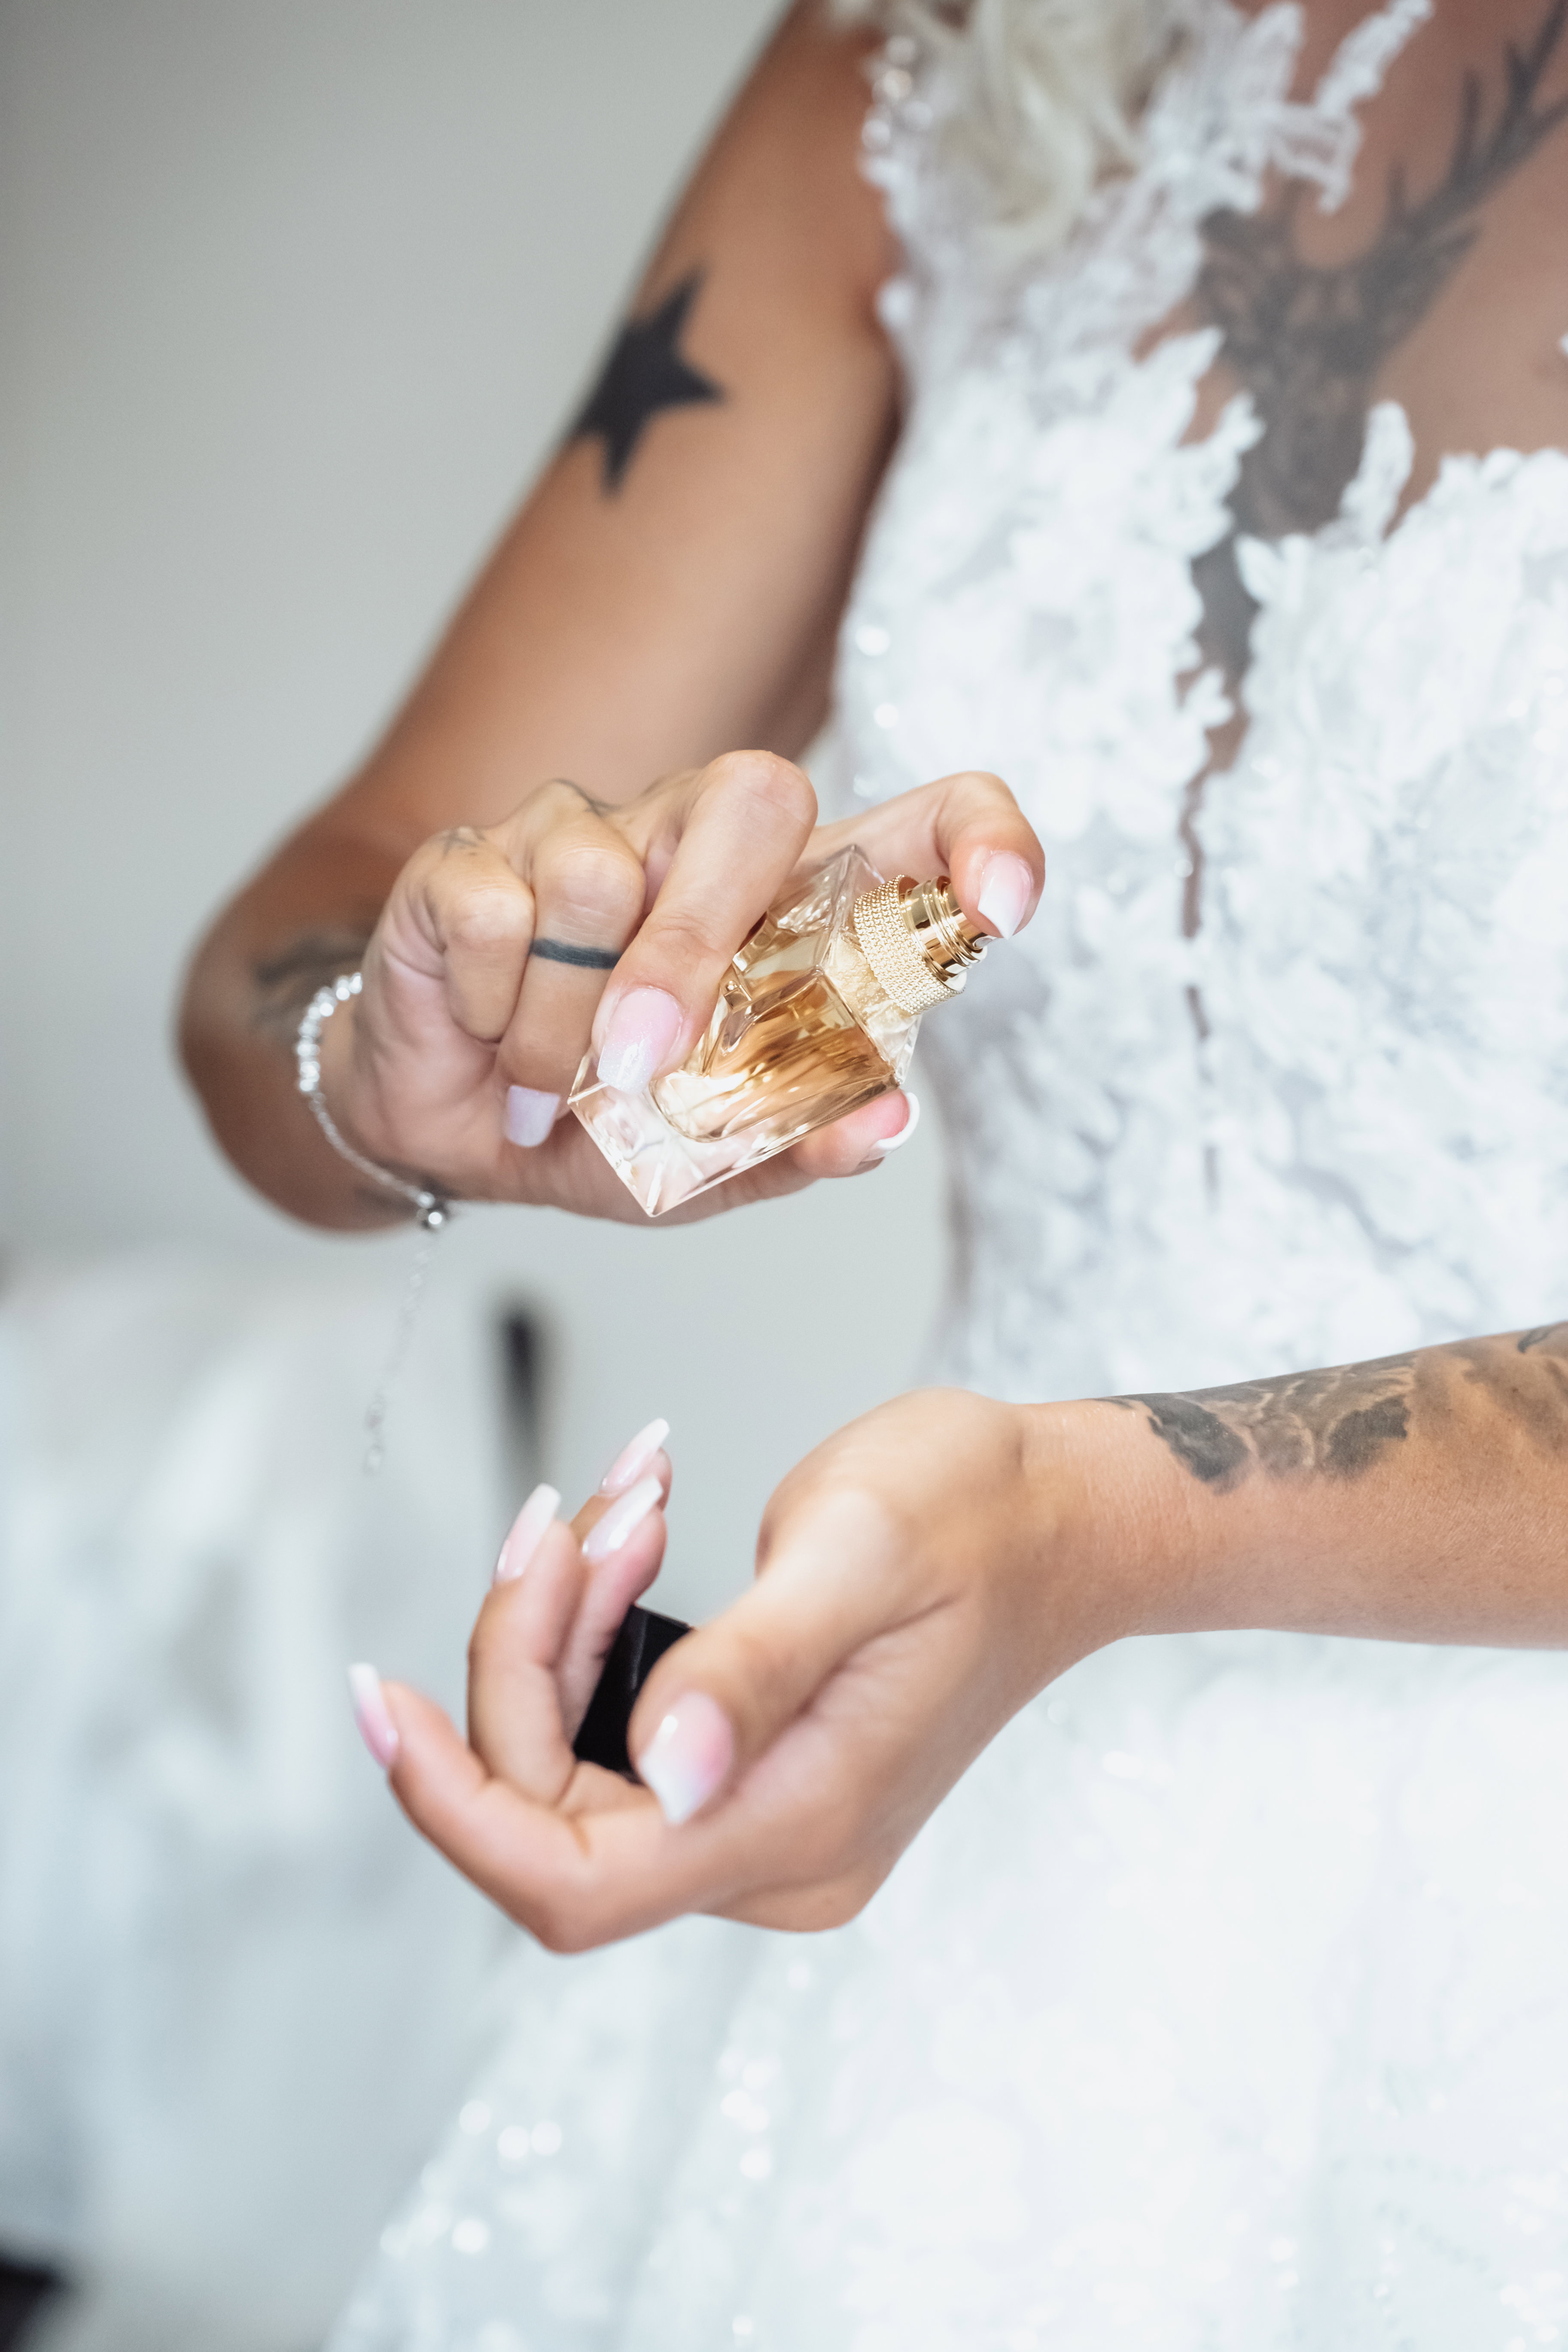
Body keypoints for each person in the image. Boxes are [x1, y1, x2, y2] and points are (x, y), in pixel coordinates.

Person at [183, 0, 1568, 2340]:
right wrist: (408, 1042)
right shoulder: (929, 65)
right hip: (942, 1859)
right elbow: (270, 966)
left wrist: (1101, 1528)